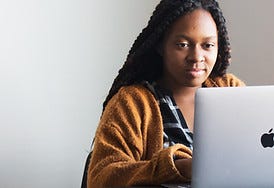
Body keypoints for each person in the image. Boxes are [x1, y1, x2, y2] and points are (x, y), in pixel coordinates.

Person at [86, 0, 245, 187]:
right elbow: (101, 177)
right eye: (183, 44)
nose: (196, 56)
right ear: (161, 46)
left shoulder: (230, 89)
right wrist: (177, 168)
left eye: (208, 45)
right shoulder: (133, 103)